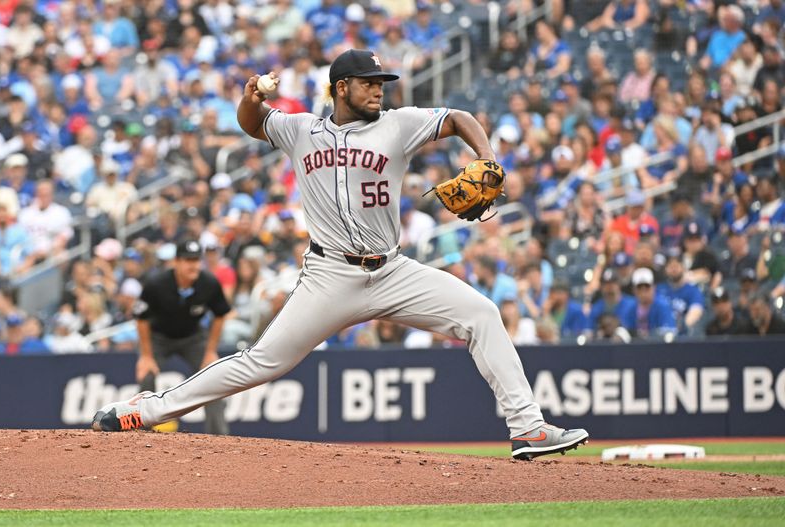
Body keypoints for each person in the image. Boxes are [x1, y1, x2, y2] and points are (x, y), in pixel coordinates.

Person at [93, 49, 589, 460]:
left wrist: (486, 158)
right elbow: (253, 123)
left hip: (392, 270)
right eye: (368, 82)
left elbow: (459, 119)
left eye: (381, 82)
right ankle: (148, 410)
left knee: (481, 313)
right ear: (340, 88)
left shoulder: (398, 125)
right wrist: (247, 100)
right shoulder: (302, 130)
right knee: (262, 362)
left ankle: (527, 429)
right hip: (329, 275)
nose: (379, 90)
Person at [133, 239, 231, 435]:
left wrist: (211, 351)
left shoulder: (209, 283)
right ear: (176, 262)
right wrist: (145, 355)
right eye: (188, 260)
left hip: (192, 338)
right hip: (158, 338)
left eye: (196, 260)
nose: (193, 265)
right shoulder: (156, 284)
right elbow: (141, 318)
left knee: (212, 377)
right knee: (147, 375)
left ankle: (220, 438)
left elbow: (221, 314)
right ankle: (142, 435)